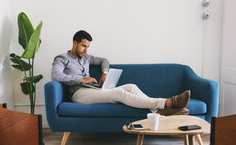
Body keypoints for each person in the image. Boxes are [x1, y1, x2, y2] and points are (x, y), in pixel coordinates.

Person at [51, 30, 190, 115]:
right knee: (119, 94)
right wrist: (81, 80)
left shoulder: (86, 57)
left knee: (131, 87)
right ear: (74, 43)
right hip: (78, 94)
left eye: (87, 47)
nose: (85, 50)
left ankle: (158, 112)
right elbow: (56, 75)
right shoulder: (62, 58)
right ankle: (168, 103)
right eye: (83, 46)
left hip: (92, 90)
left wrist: (104, 73)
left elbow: (104, 60)